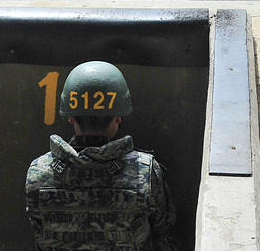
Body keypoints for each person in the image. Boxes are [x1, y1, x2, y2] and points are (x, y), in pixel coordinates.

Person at [26, 61, 180, 251]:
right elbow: (162, 232)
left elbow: (38, 234)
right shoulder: (145, 170)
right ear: (119, 117)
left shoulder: (38, 172)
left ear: (70, 117)